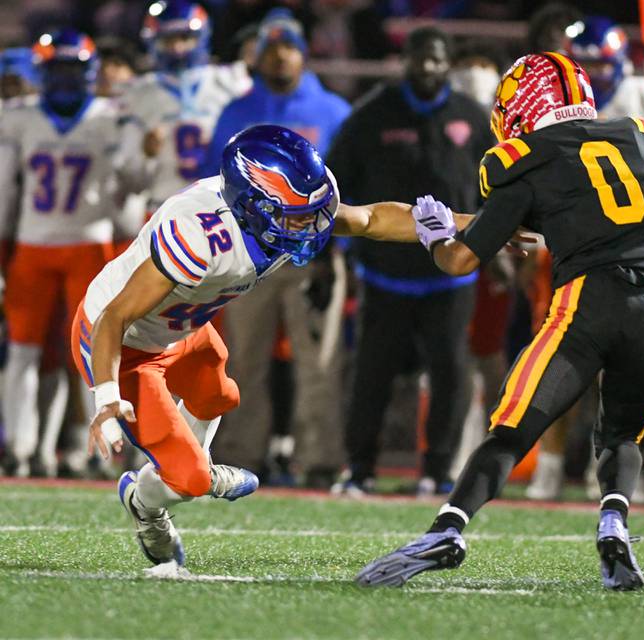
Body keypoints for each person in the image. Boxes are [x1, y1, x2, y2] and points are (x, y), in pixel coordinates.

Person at [356, 52, 644, 590]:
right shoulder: (636, 139)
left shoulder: (526, 158)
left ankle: (446, 531)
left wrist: (435, 234)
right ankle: (614, 524)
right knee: (621, 436)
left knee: (511, 429)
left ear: (523, 107)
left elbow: (460, 261)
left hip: (589, 301)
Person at [74, 123, 468, 568]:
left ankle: (186, 467)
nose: (311, 226)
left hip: (179, 327)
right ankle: (148, 502)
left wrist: (474, 227)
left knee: (221, 395)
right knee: (190, 480)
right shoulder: (199, 237)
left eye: (313, 212)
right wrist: (106, 398)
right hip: (125, 343)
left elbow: (370, 220)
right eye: (296, 216)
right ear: (252, 206)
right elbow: (114, 317)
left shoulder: (282, 215)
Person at [327, 26, 494, 497]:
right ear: (405, 60)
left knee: (451, 375)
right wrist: (327, 257)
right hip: (385, 273)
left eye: (437, 59)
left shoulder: (472, 116)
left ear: (449, 64)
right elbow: (335, 186)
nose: (428, 67)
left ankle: (438, 470)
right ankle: (359, 468)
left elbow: (496, 188)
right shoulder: (371, 115)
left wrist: (495, 244)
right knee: (371, 374)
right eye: (420, 57)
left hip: (451, 275)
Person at [204, 8, 351, 486]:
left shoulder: (333, 112)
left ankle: (319, 460)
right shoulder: (236, 111)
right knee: (243, 361)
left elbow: (352, 187)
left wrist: (339, 257)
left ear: (303, 54)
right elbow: (213, 185)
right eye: (271, 48)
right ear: (258, 56)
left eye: (289, 47)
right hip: (248, 256)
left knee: (319, 364)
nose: (280, 57)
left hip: (314, 256)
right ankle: (240, 454)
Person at [0, 30, 143, 477]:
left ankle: (102, 449)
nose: (64, 78)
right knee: (23, 350)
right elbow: (4, 191)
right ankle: (21, 446)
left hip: (89, 244)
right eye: (57, 68)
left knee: (93, 346)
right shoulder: (20, 117)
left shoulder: (112, 117)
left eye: (72, 69)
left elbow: (134, 183)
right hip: (35, 244)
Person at [525, 14, 644, 501]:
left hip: (632, 248)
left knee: (628, 365)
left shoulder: (642, 96)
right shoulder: (552, 99)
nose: (595, 74)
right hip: (567, 246)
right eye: (587, 65)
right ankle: (550, 465)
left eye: (602, 64)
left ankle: (616, 468)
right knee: (558, 358)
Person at [122, 0, 251, 217]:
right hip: (164, 207)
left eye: (185, 38)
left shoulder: (230, 81)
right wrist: (146, 155)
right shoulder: (139, 93)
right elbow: (130, 182)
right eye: (168, 40)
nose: (177, 49)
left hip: (223, 207)